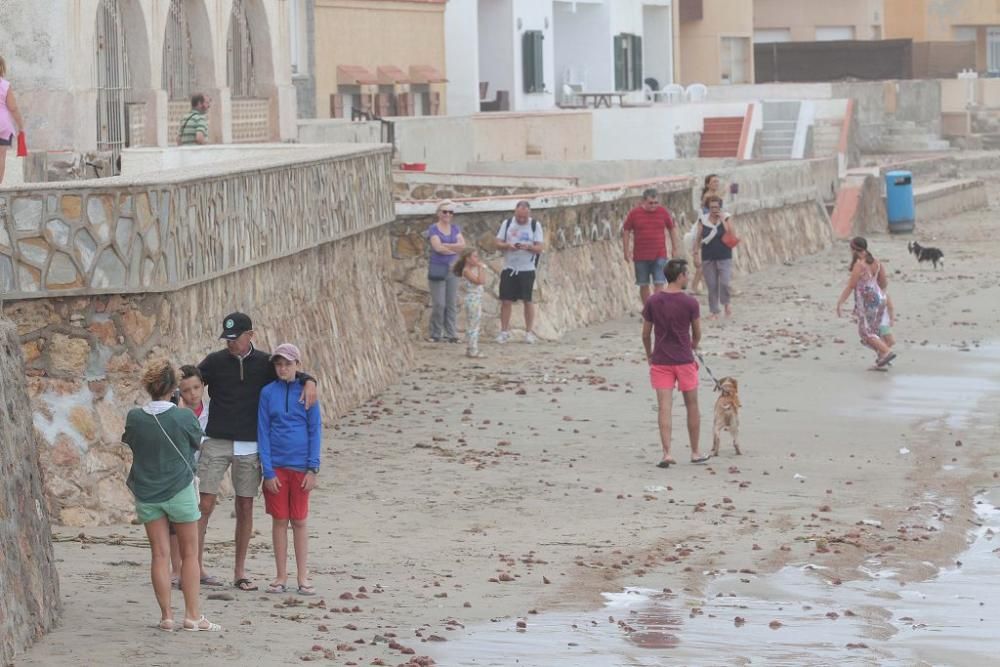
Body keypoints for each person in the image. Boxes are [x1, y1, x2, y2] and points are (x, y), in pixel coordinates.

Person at [196, 312, 318, 592]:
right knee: (204, 504)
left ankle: (239, 572)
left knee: (246, 504)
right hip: (216, 439)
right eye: (226, 339)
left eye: (235, 338)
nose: (230, 344)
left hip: (250, 443)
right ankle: (196, 567)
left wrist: (311, 380)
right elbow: (191, 378)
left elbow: (291, 373)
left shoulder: (265, 363)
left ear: (250, 335)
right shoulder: (215, 362)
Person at [122, 359, 221, 632]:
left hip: (148, 492)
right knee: (190, 554)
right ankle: (192, 615)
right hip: (179, 490)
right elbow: (195, 443)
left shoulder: (135, 417)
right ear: (173, 387)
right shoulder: (183, 416)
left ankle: (166, 616)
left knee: (159, 555)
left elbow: (131, 440)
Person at [258, 344, 322, 596]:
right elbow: (262, 430)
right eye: (278, 364)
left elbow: (315, 429)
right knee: (279, 520)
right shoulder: (267, 393)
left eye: (287, 363)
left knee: (299, 520)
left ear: (297, 364)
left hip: (301, 466)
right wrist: (268, 470)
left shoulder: (308, 391)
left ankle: (302, 575)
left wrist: (312, 467)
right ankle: (281, 574)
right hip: (277, 467)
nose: (282, 368)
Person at [641, 259, 709, 467]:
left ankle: (667, 453)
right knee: (692, 405)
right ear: (679, 276)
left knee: (664, 407)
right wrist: (693, 345)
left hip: (661, 359)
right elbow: (697, 333)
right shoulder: (690, 303)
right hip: (684, 359)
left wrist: (649, 355)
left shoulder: (653, 301)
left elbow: (645, 334)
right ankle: (695, 452)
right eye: (686, 274)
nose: (688, 278)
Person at [169, 365, 210, 588]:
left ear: (203, 385)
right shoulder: (173, 413)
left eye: (196, 387)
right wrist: (182, 412)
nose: (193, 394)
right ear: (178, 392)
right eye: (186, 390)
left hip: (199, 470)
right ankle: (176, 568)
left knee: (196, 519)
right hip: (177, 470)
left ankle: (196, 565)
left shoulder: (210, 411)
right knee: (175, 522)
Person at [836, 237, 896, 368]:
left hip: (868, 303)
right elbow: (884, 282)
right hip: (880, 299)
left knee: (866, 333)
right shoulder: (877, 263)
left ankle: (886, 352)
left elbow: (851, 286)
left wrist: (840, 302)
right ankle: (882, 357)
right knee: (875, 331)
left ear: (854, 250)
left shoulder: (859, 265)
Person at [495, 201, 544, 344]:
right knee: (506, 300)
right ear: (515, 212)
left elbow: (540, 247)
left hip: (527, 268)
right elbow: (497, 243)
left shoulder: (535, 225)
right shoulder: (508, 223)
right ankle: (504, 331)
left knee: (528, 300)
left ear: (529, 214)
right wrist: (508, 246)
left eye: (524, 217)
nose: (521, 219)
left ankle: (529, 333)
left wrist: (529, 247)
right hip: (509, 267)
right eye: (519, 216)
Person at [623, 188, 682, 305]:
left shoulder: (663, 212)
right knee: (643, 284)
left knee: (659, 282)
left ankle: (656, 309)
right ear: (643, 201)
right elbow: (626, 230)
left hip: (659, 254)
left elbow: (671, 229)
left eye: (656, 203)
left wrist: (675, 248)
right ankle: (648, 309)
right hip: (640, 256)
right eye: (651, 203)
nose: (654, 206)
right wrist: (626, 251)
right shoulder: (634, 214)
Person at [427, 200, 466, 343]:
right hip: (438, 268)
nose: (447, 214)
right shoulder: (433, 229)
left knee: (451, 303)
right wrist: (453, 248)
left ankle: (451, 333)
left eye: (450, 212)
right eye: (444, 211)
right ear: (438, 213)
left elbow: (462, 246)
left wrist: (447, 245)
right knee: (439, 303)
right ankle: (435, 333)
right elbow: (437, 248)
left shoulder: (455, 228)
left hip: (453, 269)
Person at [693, 195, 736, 319]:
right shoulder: (703, 220)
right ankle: (714, 311)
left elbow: (731, 234)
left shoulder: (726, 217)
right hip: (708, 256)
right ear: (708, 207)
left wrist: (722, 220)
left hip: (724, 255)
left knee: (724, 282)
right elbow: (698, 238)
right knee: (711, 285)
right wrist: (695, 254)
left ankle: (726, 303)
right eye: (711, 207)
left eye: (716, 207)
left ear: (720, 207)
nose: (714, 209)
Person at [453, 248, 487, 358]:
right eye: (475, 256)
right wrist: (481, 268)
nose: (477, 259)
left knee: (474, 323)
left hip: (476, 299)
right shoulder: (466, 271)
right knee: (473, 325)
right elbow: (480, 281)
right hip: (473, 300)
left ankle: (471, 347)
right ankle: (473, 349)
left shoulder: (470, 269)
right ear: (467, 259)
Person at [0, 56, 26, 185]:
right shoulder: (4, 85)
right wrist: (21, 125)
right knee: (1, 156)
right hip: (2, 127)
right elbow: (13, 108)